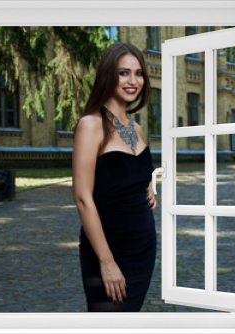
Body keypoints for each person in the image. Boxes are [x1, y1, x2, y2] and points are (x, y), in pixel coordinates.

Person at [72, 42, 157, 312]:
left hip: (143, 248)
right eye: (124, 73)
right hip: (109, 251)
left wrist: (150, 186)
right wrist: (106, 262)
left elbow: (134, 171)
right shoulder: (91, 125)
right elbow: (83, 198)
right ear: (109, 75)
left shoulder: (138, 129)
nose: (133, 81)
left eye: (139, 73)